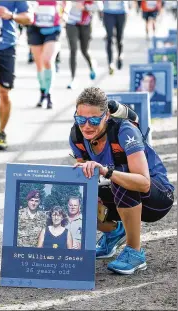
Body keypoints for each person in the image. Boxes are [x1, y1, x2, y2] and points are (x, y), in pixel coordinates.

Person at [69, 87, 174, 275]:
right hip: (124, 192)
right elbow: (85, 180)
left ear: (106, 115)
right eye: (81, 119)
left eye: (94, 120)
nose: (86, 126)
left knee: (120, 175)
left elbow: (143, 182)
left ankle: (135, 252)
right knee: (78, 192)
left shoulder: (124, 130)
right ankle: (113, 232)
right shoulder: (77, 136)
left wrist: (107, 172)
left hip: (158, 198)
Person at [0, 1, 33, 150]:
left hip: (6, 49)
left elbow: (29, 18)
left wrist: (11, 15)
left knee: (4, 93)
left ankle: (1, 131)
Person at [27, 0, 63, 109]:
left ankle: (49, 93)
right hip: (35, 29)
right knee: (39, 64)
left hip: (53, 29)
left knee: (47, 60)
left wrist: (64, 11)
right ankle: (42, 92)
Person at [63, 1, 102, 89]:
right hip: (71, 22)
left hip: (85, 24)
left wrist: (85, 7)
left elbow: (99, 6)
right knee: (73, 49)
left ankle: (92, 65)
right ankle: (73, 78)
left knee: (84, 50)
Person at [102, 1, 128, 74]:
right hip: (108, 13)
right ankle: (110, 63)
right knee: (109, 38)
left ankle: (119, 56)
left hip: (121, 13)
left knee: (119, 38)